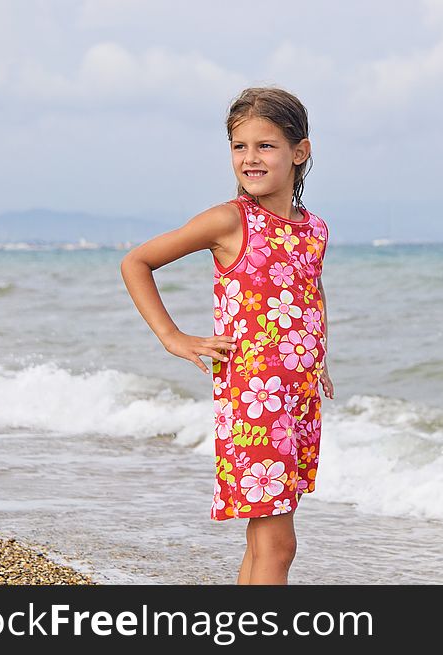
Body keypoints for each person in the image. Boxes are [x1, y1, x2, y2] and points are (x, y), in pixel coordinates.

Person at [121, 86, 334, 585]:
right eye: (240, 147)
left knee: (265, 542)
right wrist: (172, 336)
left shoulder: (314, 228)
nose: (250, 158)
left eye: (265, 146)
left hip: (297, 398)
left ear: (299, 152)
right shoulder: (230, 220)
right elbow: (137, 262)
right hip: (253, 402)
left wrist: (318, 353)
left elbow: (308, 287)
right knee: (279, 545)